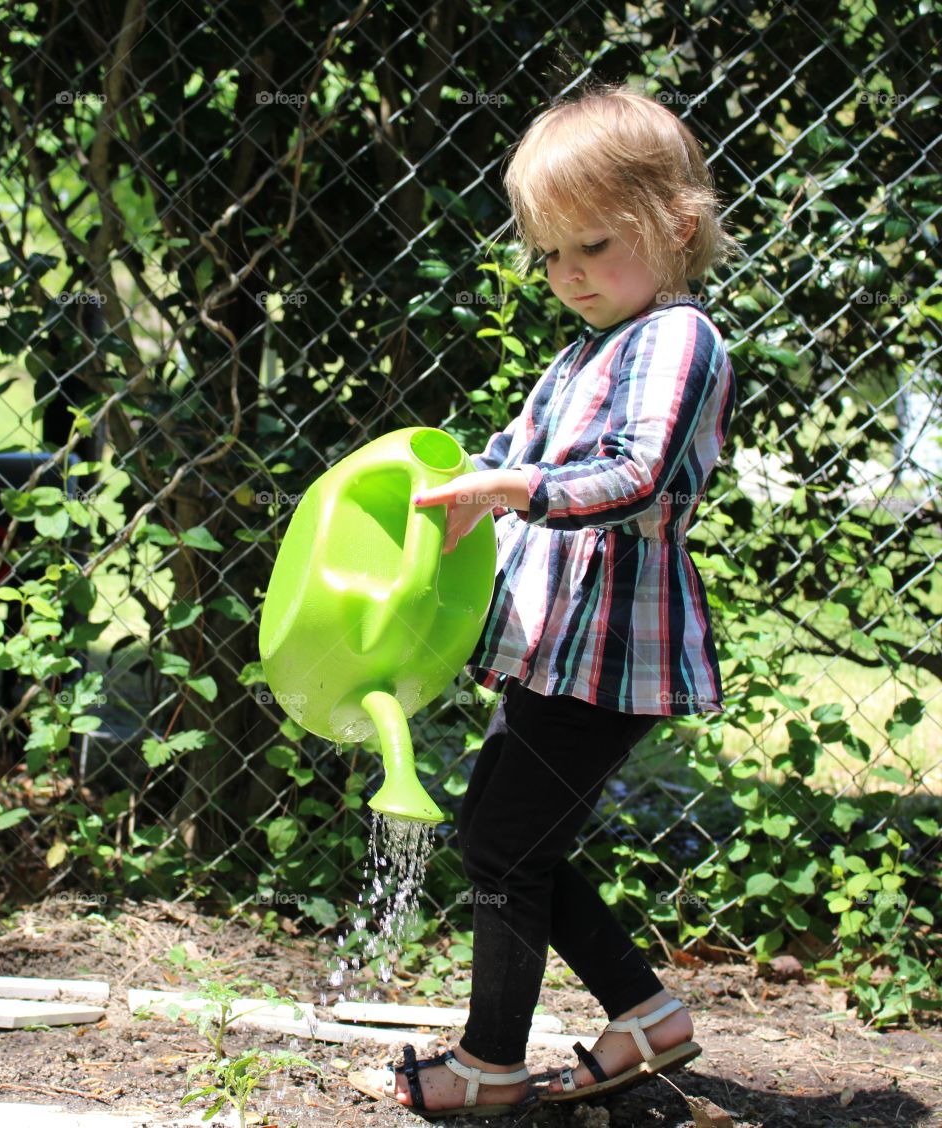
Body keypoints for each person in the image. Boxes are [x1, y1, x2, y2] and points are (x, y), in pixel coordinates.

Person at [349, 83, 737, 1119]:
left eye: (594, 248)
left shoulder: (679, 340)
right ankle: (645, 1015)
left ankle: (490, 1064)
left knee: (500, 847)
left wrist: (519, 491)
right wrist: (456, 490)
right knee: (508, 840)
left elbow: (644, 476)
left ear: (679, 227)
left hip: (613, 658)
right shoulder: (584, 353)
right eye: (551, 256)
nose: (569, 277)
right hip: (558, 652)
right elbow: (511, 462)